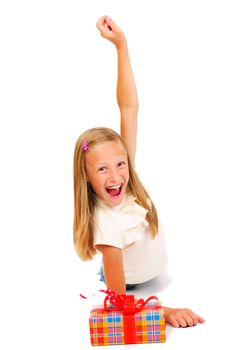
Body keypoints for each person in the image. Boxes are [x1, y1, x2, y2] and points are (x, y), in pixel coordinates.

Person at [73, 15, 205, 328]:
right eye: (102, 169)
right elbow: (117, 304)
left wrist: (121, 46)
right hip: (129, 284)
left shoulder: (124, 178)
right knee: (113, 278)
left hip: (152, 275)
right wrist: (166, 310)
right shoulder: (106, 226)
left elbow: (129, 107)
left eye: (120, 164)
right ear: (87, 178)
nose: (116, 175)